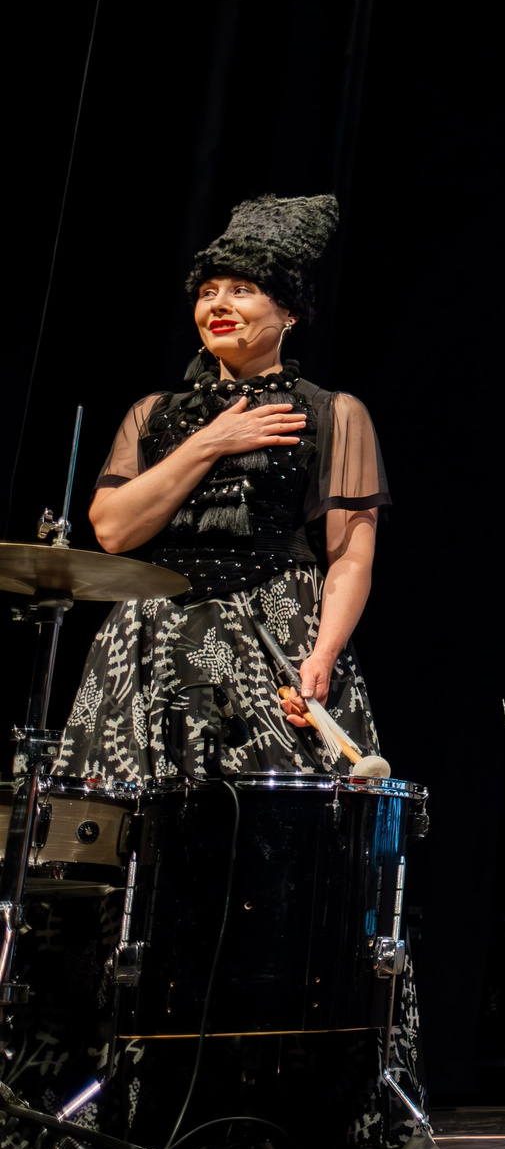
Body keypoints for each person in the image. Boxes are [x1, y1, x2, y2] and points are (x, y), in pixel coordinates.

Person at [59, 194, 388, 782]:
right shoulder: (153, 413)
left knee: (273, 811)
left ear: (289, 312)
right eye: (208, 291)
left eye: (242, 289)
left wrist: (324, 653)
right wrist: (210, 441)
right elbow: (112, 531)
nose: (219, 304)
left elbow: (351, 554)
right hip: (152, 634)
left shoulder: (333, 412)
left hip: (275, 632)